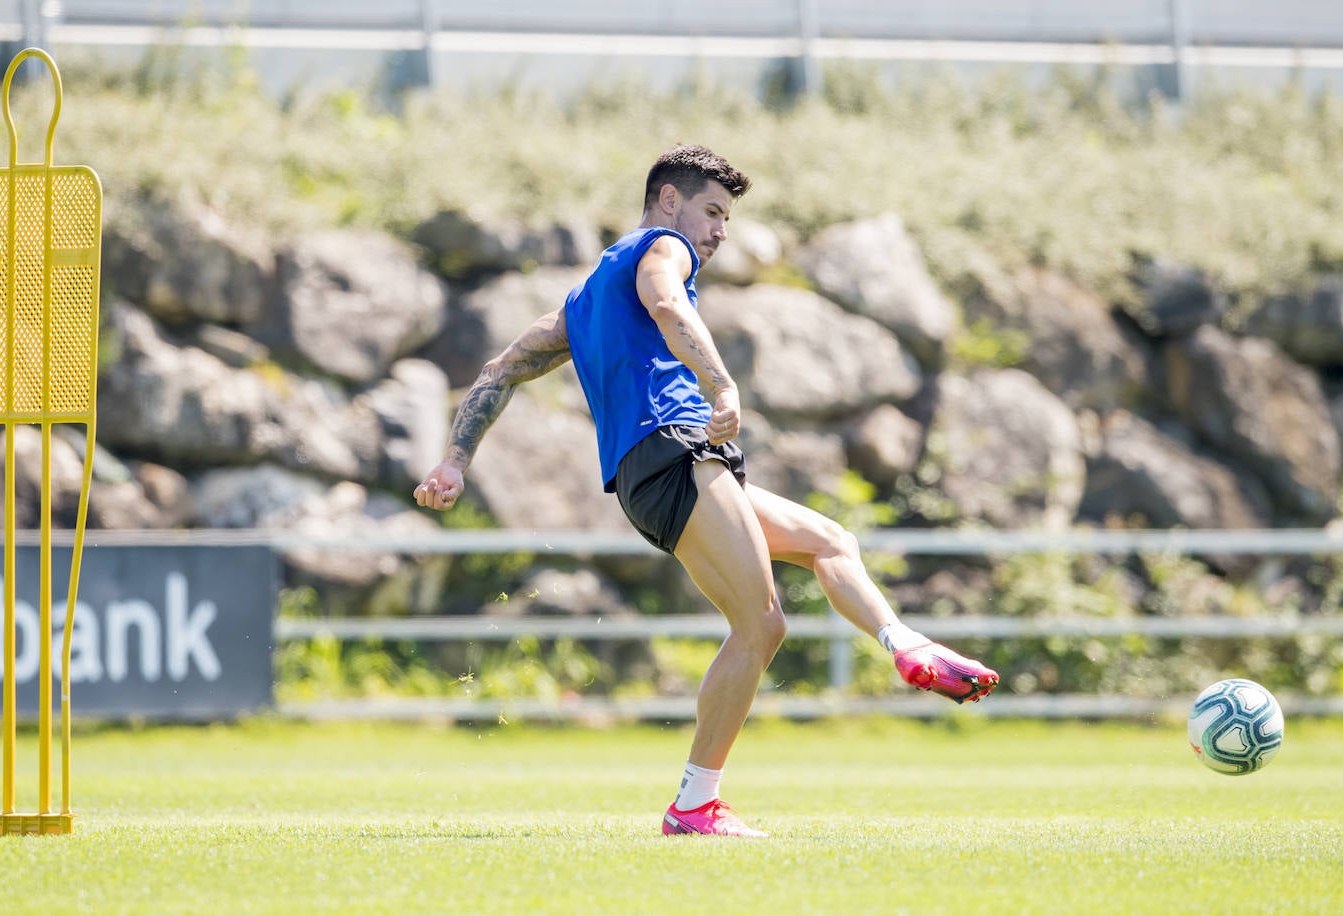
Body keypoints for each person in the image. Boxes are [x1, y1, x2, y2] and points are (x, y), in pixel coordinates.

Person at [414, 144, 998, 837]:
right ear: (668, 201)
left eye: (726, 218)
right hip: (674, 452)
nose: (720, 230)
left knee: (828, 541)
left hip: (663, 465)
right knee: (762, 624)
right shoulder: (663, 246)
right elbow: (667, 301)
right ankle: (694, 805)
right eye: (713, 212)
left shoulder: (584, 299)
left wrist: (453, 461)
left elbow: (499, 370)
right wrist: (721, 381)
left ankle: (906, 645)